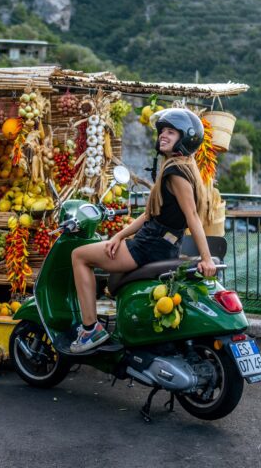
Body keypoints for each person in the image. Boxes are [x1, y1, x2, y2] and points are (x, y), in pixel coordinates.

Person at [69, 108, 217, 353]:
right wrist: (118, 236)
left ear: (185, 139)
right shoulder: (184, 168)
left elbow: (192, 218)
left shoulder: (175, 173)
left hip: (147, 247)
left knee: (79, 256)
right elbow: (150, 215)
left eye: (171, 132)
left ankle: (89, 329)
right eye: (163, 132)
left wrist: (206, 258)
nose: (163, 136)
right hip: (162, 245)